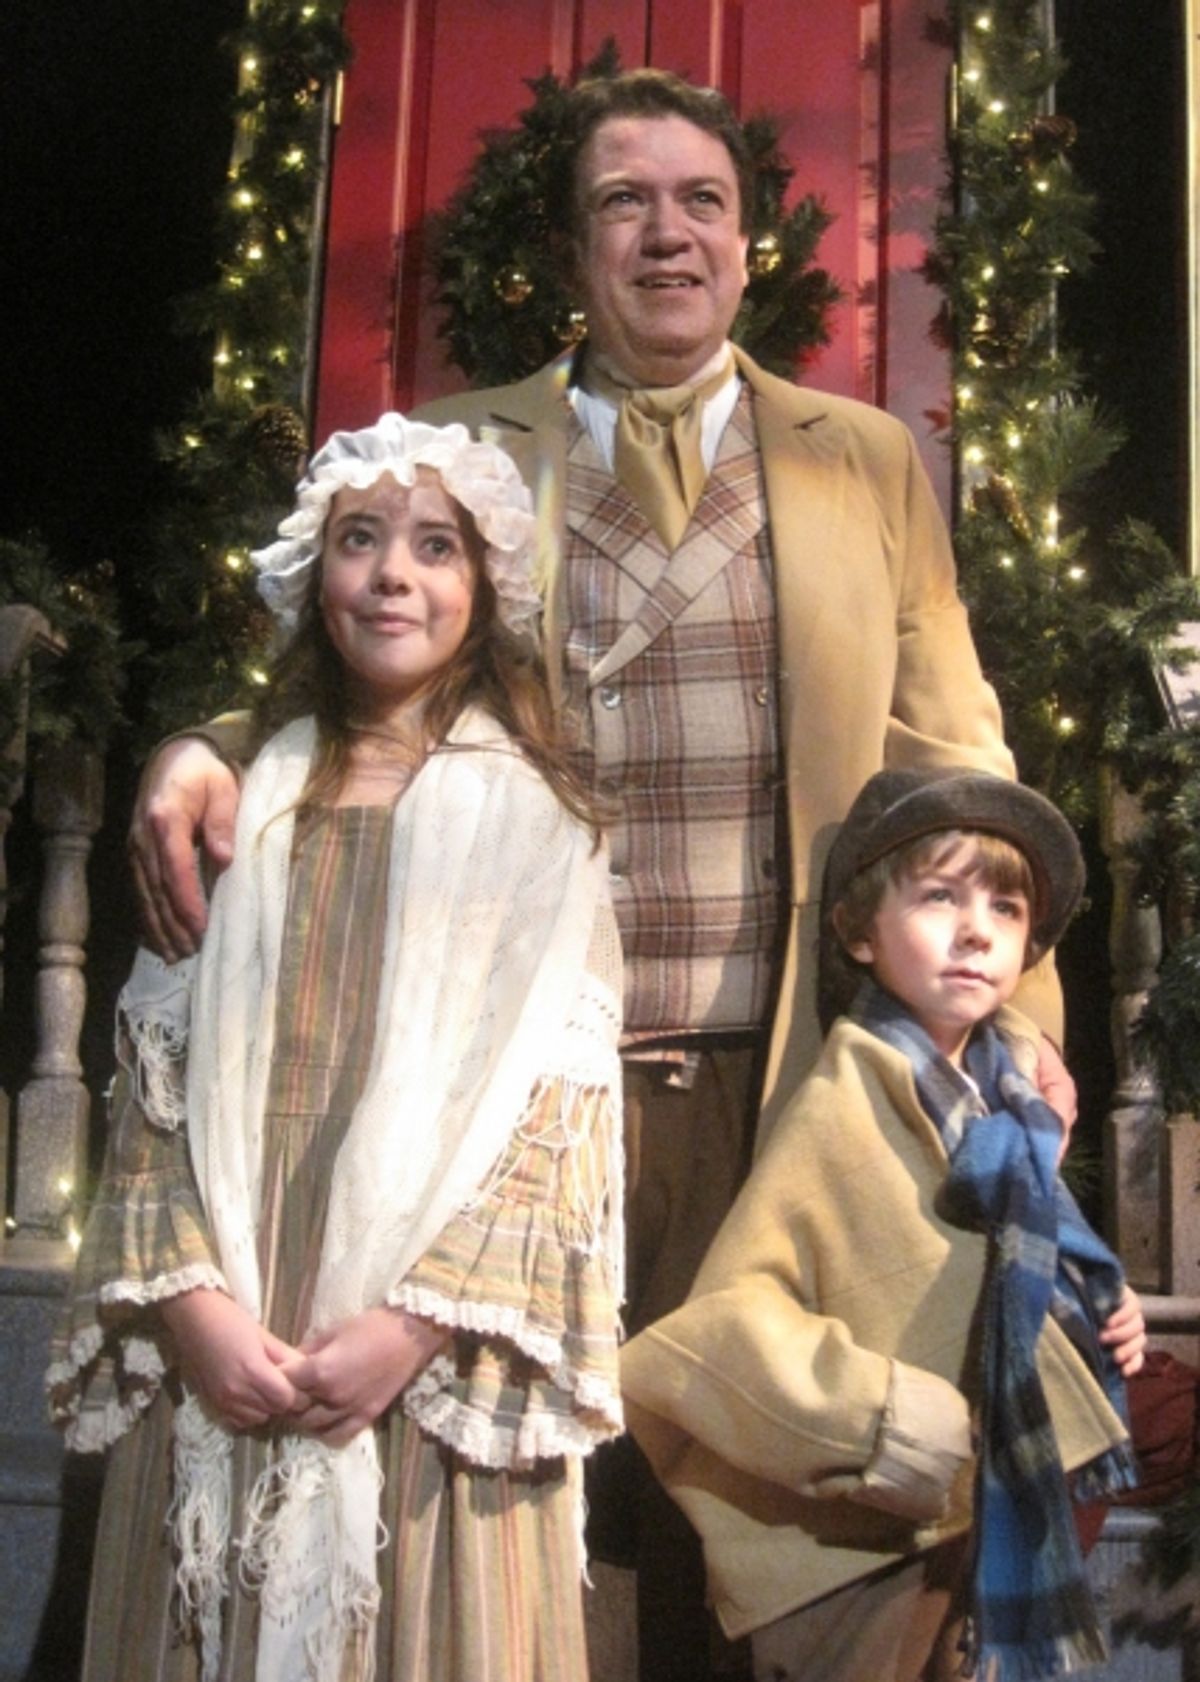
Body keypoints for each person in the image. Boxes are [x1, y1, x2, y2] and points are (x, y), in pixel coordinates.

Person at [126, 69, 1075, 1679]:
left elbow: (951, 748)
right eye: (624, 202)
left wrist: (1023, 1006)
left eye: (700, 200)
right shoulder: (459, 452)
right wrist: (208, 742)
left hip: (777, 1075)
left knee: (750, 1519)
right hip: (497, 1087)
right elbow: (347, 641)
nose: (666, 233)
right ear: (574, 251)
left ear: (750, 240)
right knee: (530, 1522)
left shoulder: (861, 460)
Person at [48, 414, 626, 1682]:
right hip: (240, 1308)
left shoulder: (538, 825)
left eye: (434, 547)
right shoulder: (241, 806)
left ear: (484, 593)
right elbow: (154, 1078)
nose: (394, 574)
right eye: (361, 541)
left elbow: (556, 1119)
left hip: (419, 1336)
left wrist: (415, 1324)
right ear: (318, 577)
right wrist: (190, 1298)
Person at [620, 766, 1148, 1682]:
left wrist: (1102, 1307)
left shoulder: (1002, 1098)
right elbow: (722, 1326)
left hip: (965, 1513)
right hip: (866, 1542)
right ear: (860, 932)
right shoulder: (850, 1094)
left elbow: (1008, 1259)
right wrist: (889, 1426)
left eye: (1008, 910)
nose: (978, 929)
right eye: (940, 896)